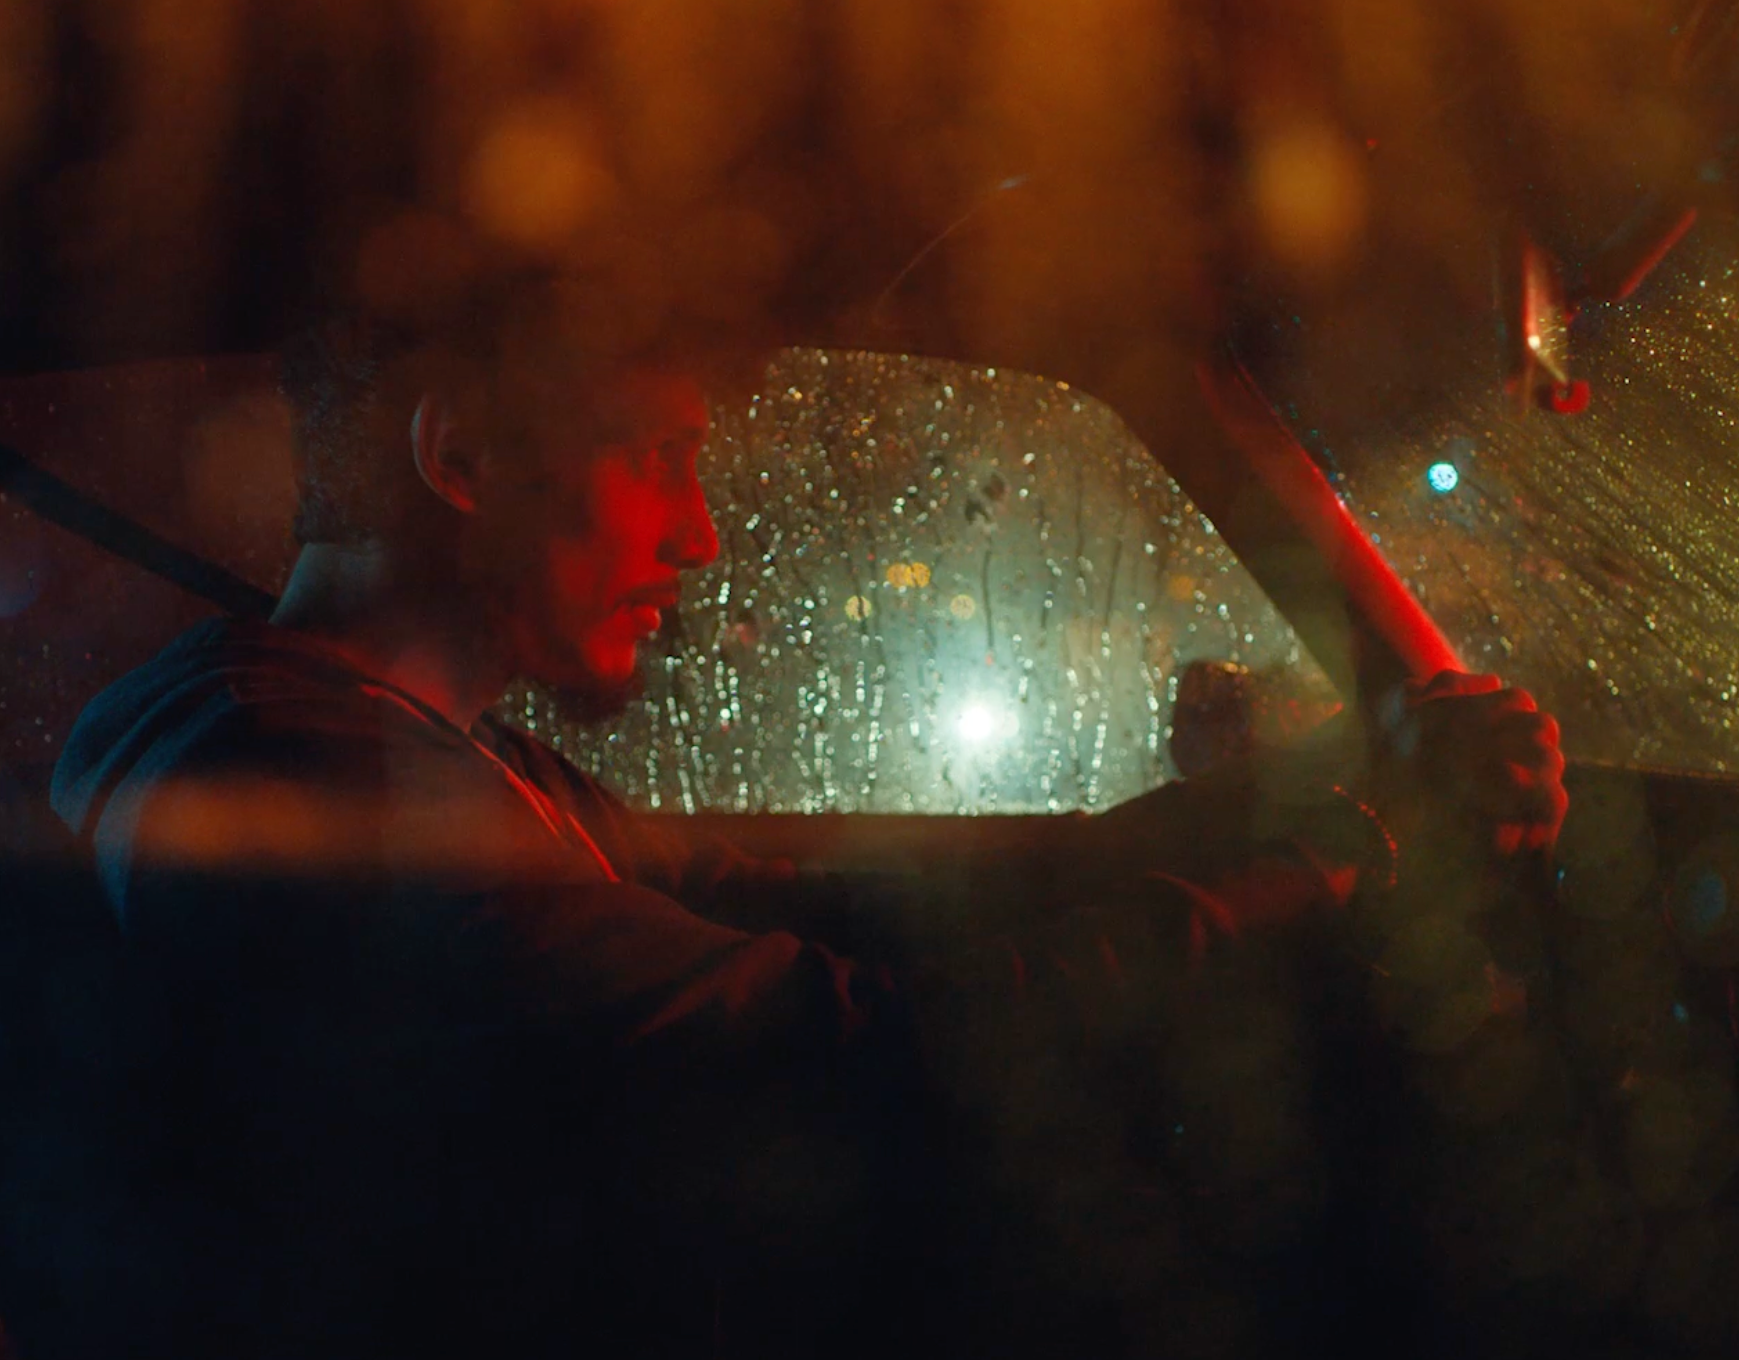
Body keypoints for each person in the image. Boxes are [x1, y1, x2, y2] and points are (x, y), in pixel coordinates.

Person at [46, 277, 1566, 1359]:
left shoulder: (392, 750)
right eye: (658, 458)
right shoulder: (303, 788)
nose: (702, 536)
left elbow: (825, 901)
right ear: (461, 459)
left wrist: (1290, 799)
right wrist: (1364, 856)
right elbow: (856, 1055)